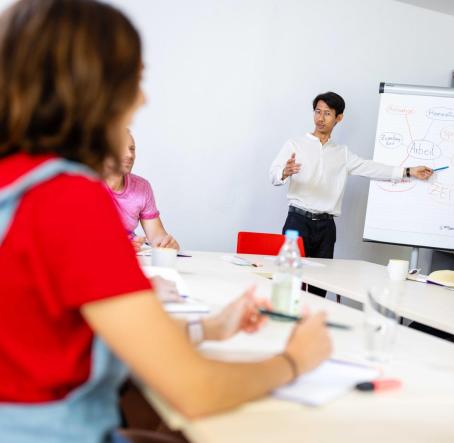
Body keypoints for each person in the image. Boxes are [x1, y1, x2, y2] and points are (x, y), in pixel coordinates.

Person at [0, 1, 331, 442]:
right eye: (134, 80)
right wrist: (294, 361)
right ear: (91, 87)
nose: (143, 98)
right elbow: (195, 390)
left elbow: (76, 333)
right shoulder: (69, 199)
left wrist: (213, 326)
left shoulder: (17, 179)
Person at [269, 92, 433, 295]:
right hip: (297, 221)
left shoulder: (342, 153)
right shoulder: (295, 144)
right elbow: (273, 175)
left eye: (327, 113)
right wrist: (284, 172)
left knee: (320, 286)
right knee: (290, 282)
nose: (320, 118)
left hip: (326, 227)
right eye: (317, 112)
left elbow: (370, 168)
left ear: (339, 118)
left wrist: (408, 171)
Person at [104, 130, 179, 250]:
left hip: (131, 260)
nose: (129, 155)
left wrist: (167, 245)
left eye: (132, 149)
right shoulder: (86, 184)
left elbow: (157, 237)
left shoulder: (142, 187)